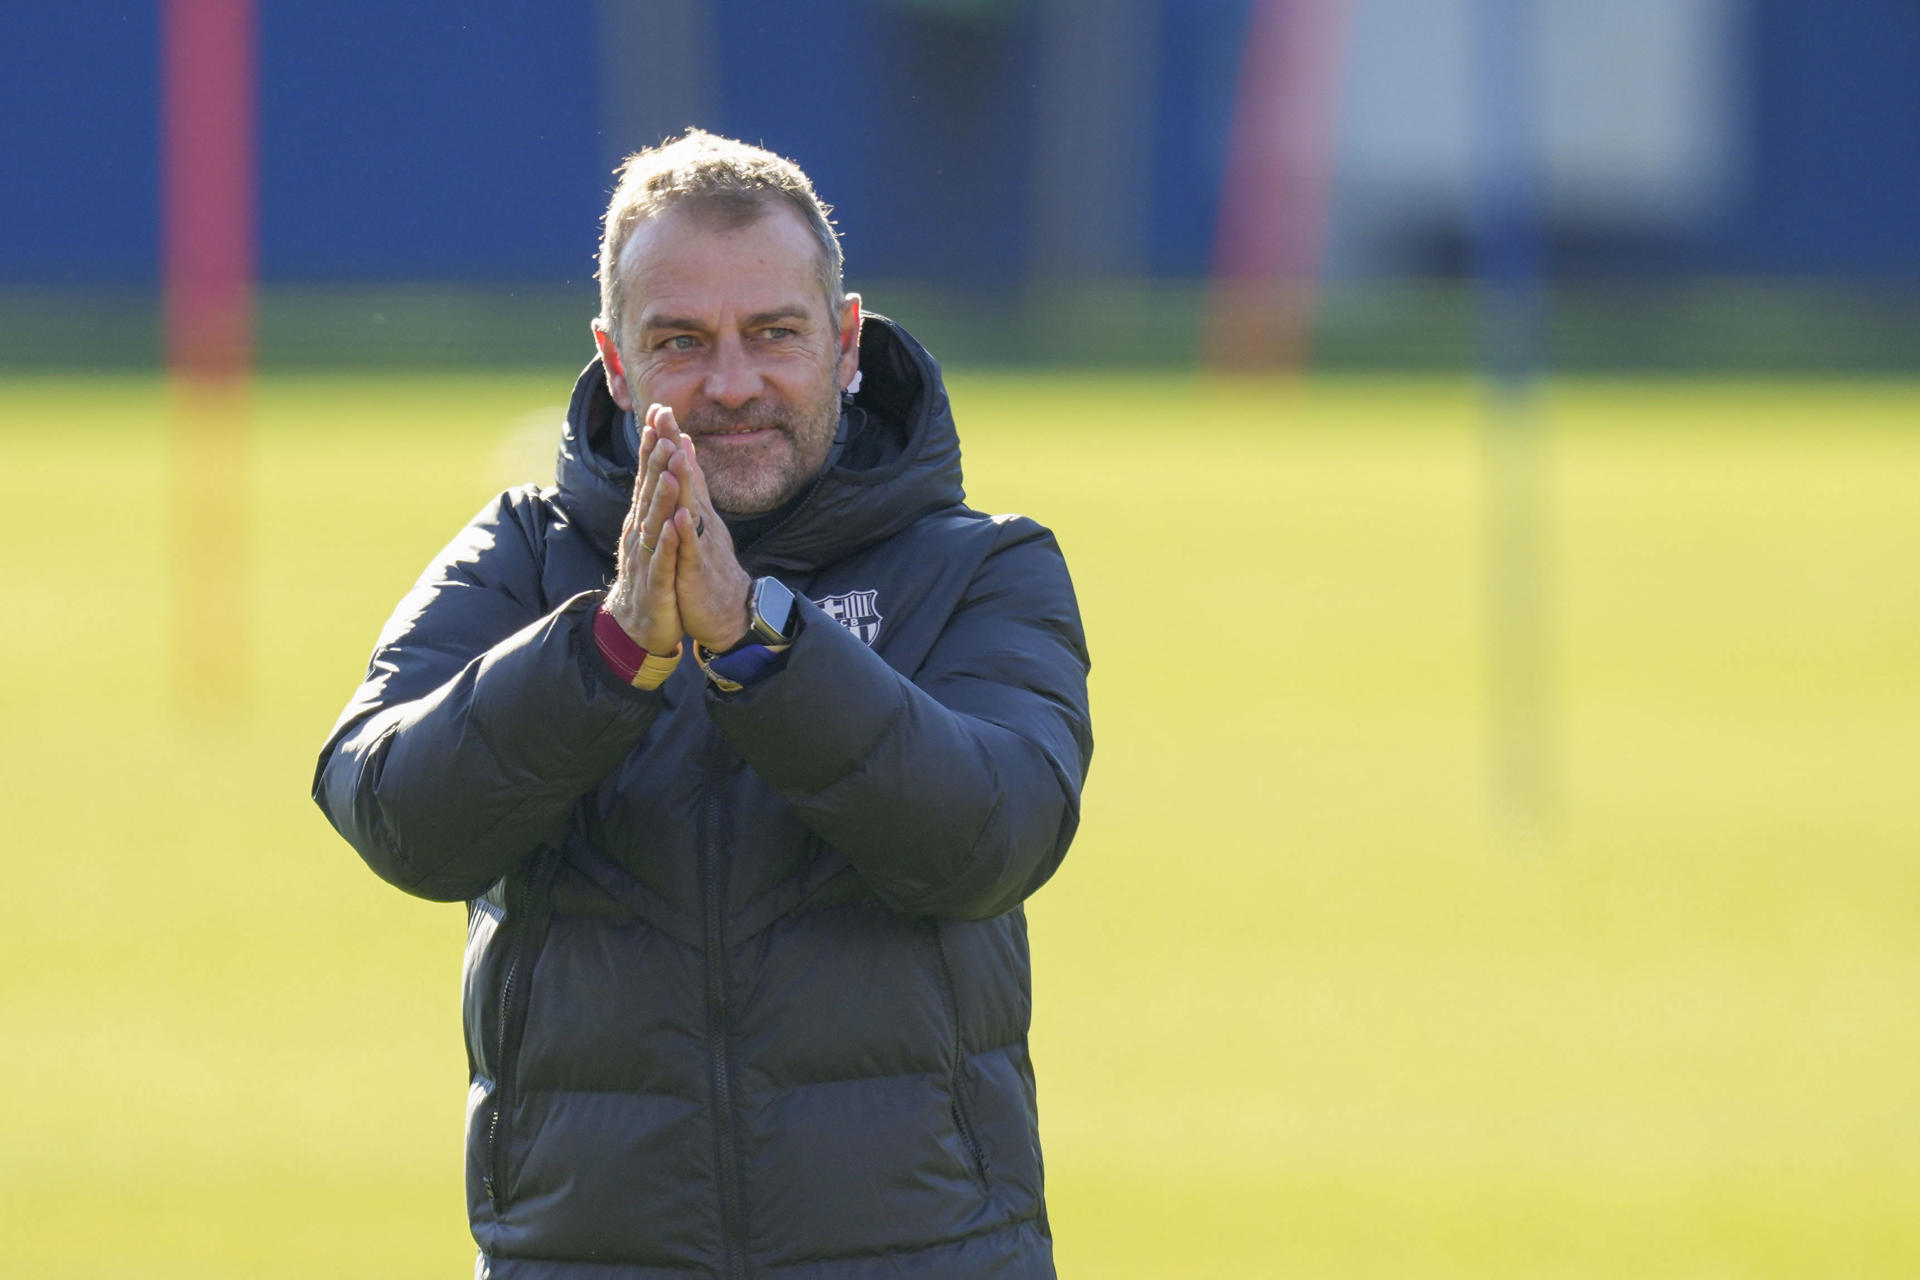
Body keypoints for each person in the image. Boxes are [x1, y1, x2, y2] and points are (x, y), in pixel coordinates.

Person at [312, 129, 1092, 1279]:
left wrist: (760, 644)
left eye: (773, 333)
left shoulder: (980, 567)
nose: (732, 384)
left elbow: (988, 837)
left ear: (845, 340)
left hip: (925, 1253)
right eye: (681, 342)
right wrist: (609, 649)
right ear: (616, 363)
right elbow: (393, 809)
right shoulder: (524, 559)